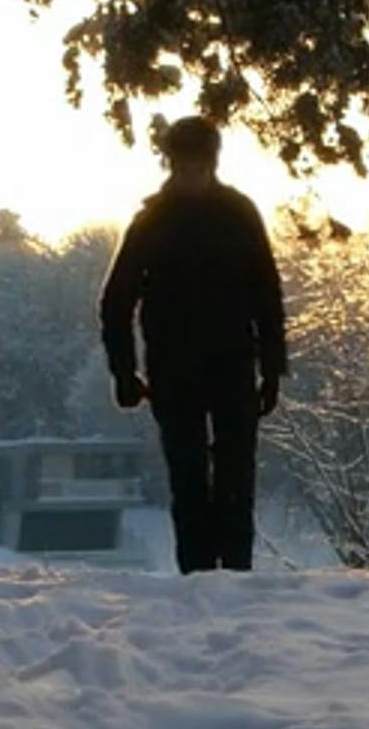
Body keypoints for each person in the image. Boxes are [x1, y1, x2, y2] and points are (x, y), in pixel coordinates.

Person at [98, 116, 287, 573]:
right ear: (171, 164)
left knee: (236, 479)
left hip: (233, 364)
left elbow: (266, 293)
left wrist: (272, 369)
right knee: (188, 478)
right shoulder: (151, 221)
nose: (191, 174)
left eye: (198, 165)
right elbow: (116, 300)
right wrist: (124, 372)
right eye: (183, 165)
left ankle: (236, 577)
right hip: (173, 369)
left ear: (213, 163)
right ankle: (197, 580)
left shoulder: (240, 215)